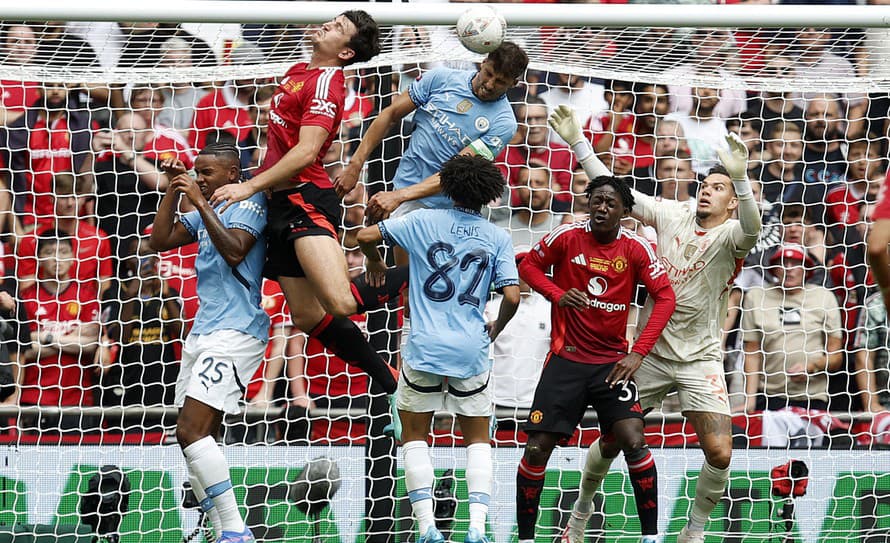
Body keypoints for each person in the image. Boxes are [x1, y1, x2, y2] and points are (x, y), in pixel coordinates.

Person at [550, 105, 761, 543]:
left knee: (720, 452)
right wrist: (577, 141)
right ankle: (579, 517)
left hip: (699, 358)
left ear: (732, 201)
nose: (707, 192)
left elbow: (754, 228)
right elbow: (617, 192)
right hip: (648, 353)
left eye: (719, 188)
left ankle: (693, 532)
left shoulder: (733, 235)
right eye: (705, 184)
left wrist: (741, 177)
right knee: (611, 441)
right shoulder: (671, 213)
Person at [208, 11, 404, 399]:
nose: (329, 24)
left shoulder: (329, 84)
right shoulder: (299, 70)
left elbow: (309, 150)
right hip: (279, 201)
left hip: (304, 199)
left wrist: (250, 187)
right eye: (333, 18)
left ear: (346, 51)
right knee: (307, 315)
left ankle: (434, 272)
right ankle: (391, 382)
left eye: (339, 27)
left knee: (341, 302)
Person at [356, 155, 521, 543]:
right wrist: (495, 327)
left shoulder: (422, 221)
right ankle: (477, 528)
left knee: (414, 436)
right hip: (471, 349)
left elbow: (364, 237)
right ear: (489, 196)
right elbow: (512, 295)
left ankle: (427, 525)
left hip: (423, 345)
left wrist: (376, 261)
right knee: (478, 439)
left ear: (446, 187)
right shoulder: (496, 236)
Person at [514, 175, 676, 543]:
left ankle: (650, 537)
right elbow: (527, 266)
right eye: (596, 200)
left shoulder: (635, 248)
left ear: (624, 211)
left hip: (612, 364)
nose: (602, 208)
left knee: (634, 440)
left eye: (611, 203)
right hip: (566, 359)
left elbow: (666, 297)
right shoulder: (566, 236)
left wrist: (638, 353)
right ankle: (525, 538)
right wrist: (557, 294)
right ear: (588, 202)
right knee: (537, 447)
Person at [148, 144, 269, 542]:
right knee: (201, 437)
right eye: (197, 172)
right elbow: (160, 240)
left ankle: (235, 527)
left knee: (190, 431)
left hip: (236, 331)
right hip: (202, 332)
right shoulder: (207, 205)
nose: (200, 179)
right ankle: (221, 532)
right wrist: (172, 189)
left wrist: (200, 204)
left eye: (208, 172)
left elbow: (236, 251)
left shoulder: (251, 202)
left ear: (233, 173)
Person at [333, 41, 529, 226]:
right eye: (489, 73)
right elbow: (390, 115)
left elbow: (456, 173)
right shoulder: (441, 78)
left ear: (513, 84)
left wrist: (400, 196)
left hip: (445, 208)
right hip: (403, 187)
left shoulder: (503, 123)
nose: (489, 84)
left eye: (500, 82)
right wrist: (355, 164)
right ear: (483, 62)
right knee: (384, 254)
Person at [741, 244, 843, 412]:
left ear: (806, 269)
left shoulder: (824, 297)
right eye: (783, 263)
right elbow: (752, 352)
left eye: (795, 263)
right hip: (769, 395)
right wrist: (749, 400)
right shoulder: (756, 297)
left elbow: (836, 356)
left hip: (812, 396)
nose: (789, 269)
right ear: (774, 269)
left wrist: (812, 367)